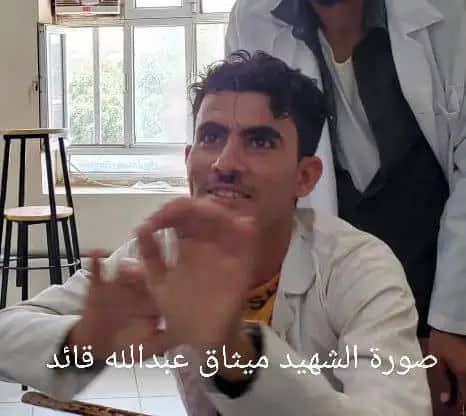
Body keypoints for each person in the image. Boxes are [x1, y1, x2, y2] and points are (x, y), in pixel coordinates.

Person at [0, 52, 431, 415]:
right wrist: (84, 342)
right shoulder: (162, 257)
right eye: (211, 136)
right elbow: (7, 332)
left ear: (305, 176)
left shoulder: (358, 269)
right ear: (188, 158)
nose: (225, 163)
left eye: (260, 142)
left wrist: (235, 350)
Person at [225, 0, 466, 410]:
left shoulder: (450, 14)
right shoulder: (254, 17)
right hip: (327, 289)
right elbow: (251, 154)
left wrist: (453, 320)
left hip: (437, 281)